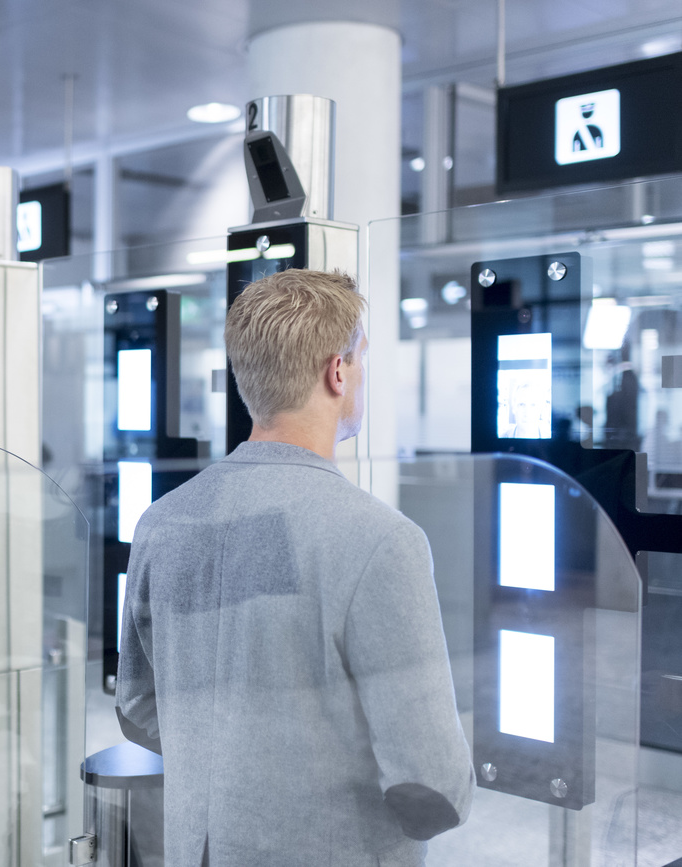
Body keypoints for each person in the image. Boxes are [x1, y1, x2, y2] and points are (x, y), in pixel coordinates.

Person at [115, 269, 473, 866]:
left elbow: (136, 707)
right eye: (361, 360)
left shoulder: (162, 522)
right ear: (338, 371)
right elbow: (432, 781)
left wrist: (231, 773)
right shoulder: (382, 540)